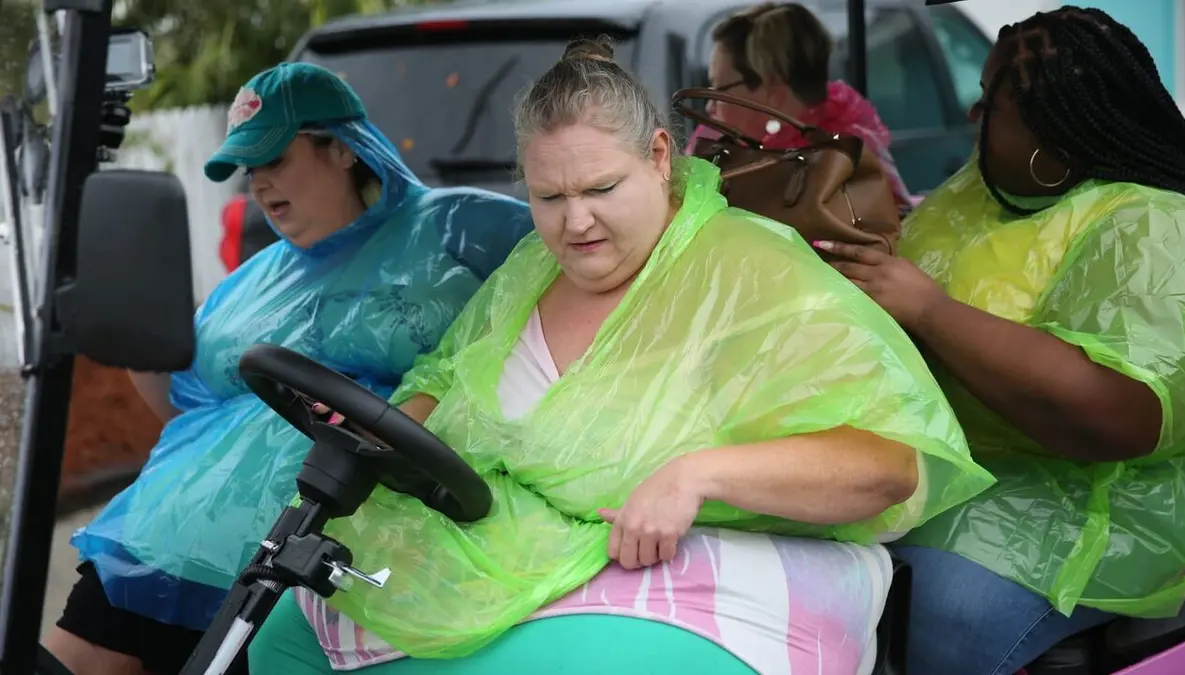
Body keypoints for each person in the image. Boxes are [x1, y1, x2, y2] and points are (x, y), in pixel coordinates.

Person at [245, 37, 995, 675]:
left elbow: (886, 463)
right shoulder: (532, 270)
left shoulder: (748, 269)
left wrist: (696, 474)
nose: (575, 223)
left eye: (602, 188)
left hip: (705, 567)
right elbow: (446, 377)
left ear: (661, 157)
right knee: (281, 629)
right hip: (520, 549)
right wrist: (382, 430)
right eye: (548, 197)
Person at [43, 62, 534, 675]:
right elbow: (184, 400)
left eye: (276, 161)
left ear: (343, 149)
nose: (261, 187)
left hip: (326, 561)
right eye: (251, 173)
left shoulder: (462, 229)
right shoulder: (250, 280)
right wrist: (134, 330)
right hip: (165, 543)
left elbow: (563, 307)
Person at [817, 7, 1185, 675]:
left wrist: (931, 312)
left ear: (1055, 139)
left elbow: (1118, 411)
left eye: (990, 100)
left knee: (944, 610)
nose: (973, 112)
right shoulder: (985, 189)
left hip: (1078, 511)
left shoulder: (1154, 225)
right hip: (950, 469)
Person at [693, 2, 914, 212]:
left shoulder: (845, 161)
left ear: (773, 91)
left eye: (720, 89)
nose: (711, 105)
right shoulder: (721, 152)